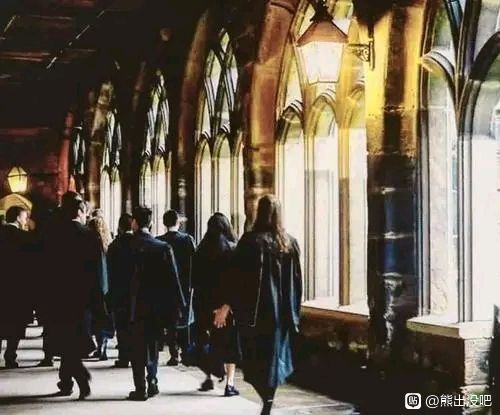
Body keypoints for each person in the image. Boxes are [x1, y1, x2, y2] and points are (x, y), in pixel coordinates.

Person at [214, 195, 302, 415]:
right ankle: (269, 396)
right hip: (281, 313)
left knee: (255, 360)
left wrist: (227, 305)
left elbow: (235, 278)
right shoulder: (290, 243)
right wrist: (294, 312)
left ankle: (266, 397)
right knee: (273, 359)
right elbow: (297, 282)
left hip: (255, 313)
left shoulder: (250, 242)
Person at [43, 196, 105, 399]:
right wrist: (98, 300)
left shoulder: (53, 234)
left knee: (65, 339)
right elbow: (96, 272)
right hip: (82, 298)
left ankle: (66, 381)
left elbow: (45, 268)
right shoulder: (89, 235)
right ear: (79, 212)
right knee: (73, 341)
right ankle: (80, 377)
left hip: (59, 296)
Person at [128, 207, 186, 401]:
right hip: (155, 306)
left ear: (134, 223)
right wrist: (179, 306)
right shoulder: (162, 248)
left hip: (132, 306)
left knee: (136, 346)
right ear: (151, 224)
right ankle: (152, 380)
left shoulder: (124, 247)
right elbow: (173, 280)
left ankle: (140, 387)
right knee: (152, 344)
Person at [194, 213, 240, 397]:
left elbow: (194, 281)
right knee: (229, 344)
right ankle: (229, 384)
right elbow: (235, 283)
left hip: (204, 304)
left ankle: (208, 378)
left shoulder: (200, 250)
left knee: (206, 341)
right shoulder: (232, 250)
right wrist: (226, 307)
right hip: (224, 307)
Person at [156, 209, 196, 366]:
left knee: (170, 321)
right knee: (185, 320)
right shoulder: (187, 240)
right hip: (185, 286)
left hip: (166, 288)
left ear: (164, 223)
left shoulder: (159, 241)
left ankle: (174, 354)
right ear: (178, 223)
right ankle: (186, 353)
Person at [0, 206, 32, 368]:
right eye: (25, 217)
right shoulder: (23, 237)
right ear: (18, 218)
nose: (26, 221)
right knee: (16, 323)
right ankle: (10, 355)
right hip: (18, 287)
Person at [107, 213, 135, 368]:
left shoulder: (114, 246)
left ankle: (124, 357)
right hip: (136, 291)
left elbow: (110, 272)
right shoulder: (139, 243)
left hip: (119, 292)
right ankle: (136, 355)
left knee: (121, 326)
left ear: (120, 227)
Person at [88, 214, 113, 361]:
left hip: (93, 287)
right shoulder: (109, 245)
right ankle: (103, 345)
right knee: (105, 318)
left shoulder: (88, 245)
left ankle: (99, 346)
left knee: (95, 319)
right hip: (108, 287)